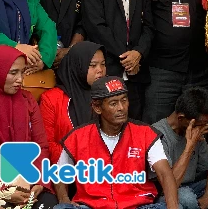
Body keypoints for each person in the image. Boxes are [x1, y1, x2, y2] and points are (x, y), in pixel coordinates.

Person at [53, 76, 178, 209]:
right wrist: (64, 199)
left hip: (138, 205)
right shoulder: (77, 137)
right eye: (113, 103)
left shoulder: (146, 133)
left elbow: (165, 174)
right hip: (93, 206)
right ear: (97, 107)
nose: (121, 108)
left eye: (124, 101)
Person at [81, 0, 153, 120]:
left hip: (137, 71)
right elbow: (96, 27)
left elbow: (149, 27)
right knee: (106, 122)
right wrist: (126, 57)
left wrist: (138, 53)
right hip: (109, 67)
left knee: (135, 122)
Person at [0, 45, 57, 208]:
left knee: (48, 203)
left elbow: (40, 146)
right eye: (13, 73)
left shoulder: (28, 102)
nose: (20, 79)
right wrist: (2, 191)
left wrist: (39, 182)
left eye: (22, 72)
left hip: (29, 184)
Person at [39, 41, 106, 163]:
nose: (100, 70)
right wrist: (81, 158)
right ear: (77, 66)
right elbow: (46, 144)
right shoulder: (51, 100)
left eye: (103, 64)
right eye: (93, 65)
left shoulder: (108, 96)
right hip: (66, 172)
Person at [152, 87, 208, 209]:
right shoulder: (157, 135)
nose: (202, 129)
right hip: (165, 192)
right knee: (186, 197)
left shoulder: (196, 129)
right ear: (181, 118)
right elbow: (169, 185)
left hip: (194, 186)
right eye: (199, 125)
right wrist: (190, 146)